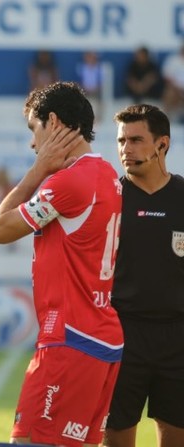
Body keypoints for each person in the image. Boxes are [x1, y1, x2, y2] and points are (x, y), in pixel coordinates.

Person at [0, 81, 124, 447]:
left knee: (29, 441)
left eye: (34, 130)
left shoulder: (69, 182)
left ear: (53, 122)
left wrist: (38, 170)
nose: (33, 144)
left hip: (70, 340)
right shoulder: (108, 175)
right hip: (102, 341)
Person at [103, 104, 184, 447]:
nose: (126, 149)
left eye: (136, 140)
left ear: (162, 144)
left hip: (178, 338)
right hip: (122, 336)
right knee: (117, 438)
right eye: (122, 140)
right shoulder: (109, 197)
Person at [161, 43, 184, 120]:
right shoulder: (173, 60)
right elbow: (167, 77)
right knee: (169, 93)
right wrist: (177, 88)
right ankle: (166, 120)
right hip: (175, 88)